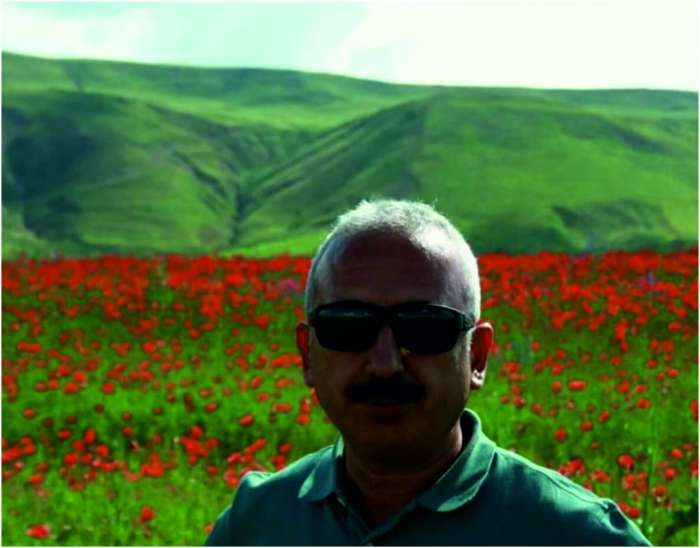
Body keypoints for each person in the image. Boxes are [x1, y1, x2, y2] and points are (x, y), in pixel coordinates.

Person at [205, 198, 652, 546]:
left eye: (425, 327)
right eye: (349, 326)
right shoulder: (255, 523)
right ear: (307, 355)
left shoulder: (577, 535)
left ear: (477, 356)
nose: (385, 363)